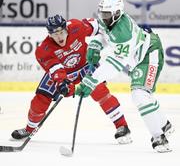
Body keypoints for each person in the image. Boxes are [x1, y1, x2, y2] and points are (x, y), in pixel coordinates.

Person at [75, 0, 174, 153]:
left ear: (117, 13)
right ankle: (164, 124)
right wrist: (95, 45)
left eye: (107, 15)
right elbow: (104, 33)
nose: (103, 17)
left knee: (140, 95)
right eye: (102, 14)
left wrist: (91, 81)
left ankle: (159, 137)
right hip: (138, 57)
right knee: (143, 94)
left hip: (149, 54)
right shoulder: (111, 20)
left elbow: (115, 65)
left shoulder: (124, 33)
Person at [11, 14, 132, 144]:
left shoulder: (77, 27)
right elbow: (56, 70)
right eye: (54, 33)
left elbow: (99, 26)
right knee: (40, 99)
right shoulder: (43, 50)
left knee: (100, 92)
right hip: (63, 73)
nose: (59, 36)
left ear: (66, 29)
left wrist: (102, 42)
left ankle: (122, 126)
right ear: (49, 34)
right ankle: (29, 129)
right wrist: (62, 83)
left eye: (61, 32)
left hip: (86, 65)